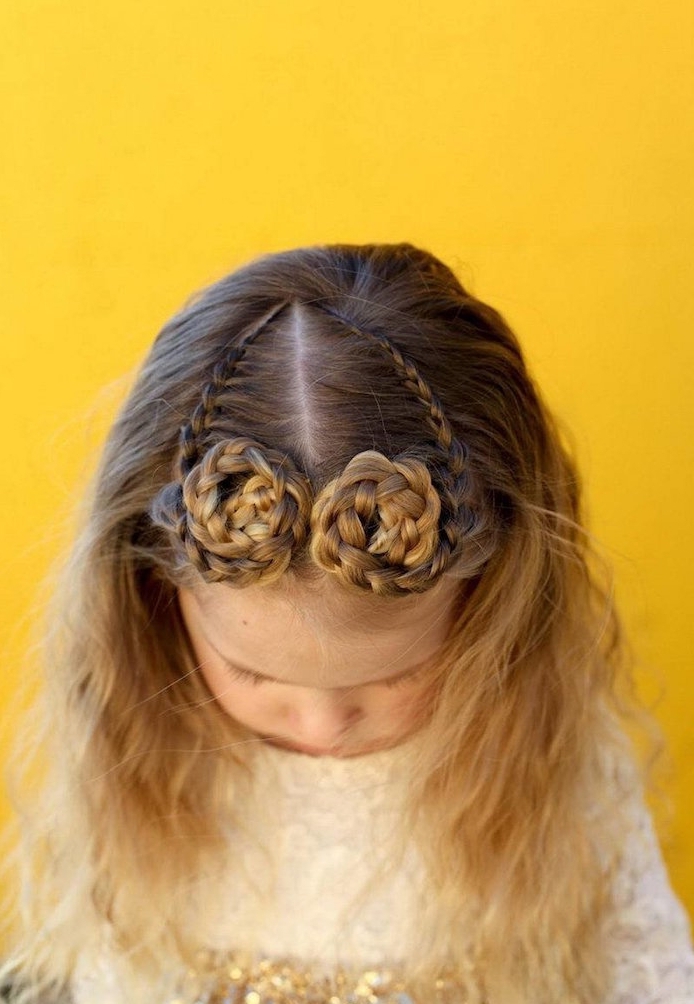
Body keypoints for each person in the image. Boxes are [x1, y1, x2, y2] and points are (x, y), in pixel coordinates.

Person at [2, 243, 693, 1004]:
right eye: (254, 672)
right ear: (153, 594)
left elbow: (649, 979)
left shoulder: (551, 770)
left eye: (396, 674)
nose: (324, 725)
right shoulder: (142, 765)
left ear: (496, 606)